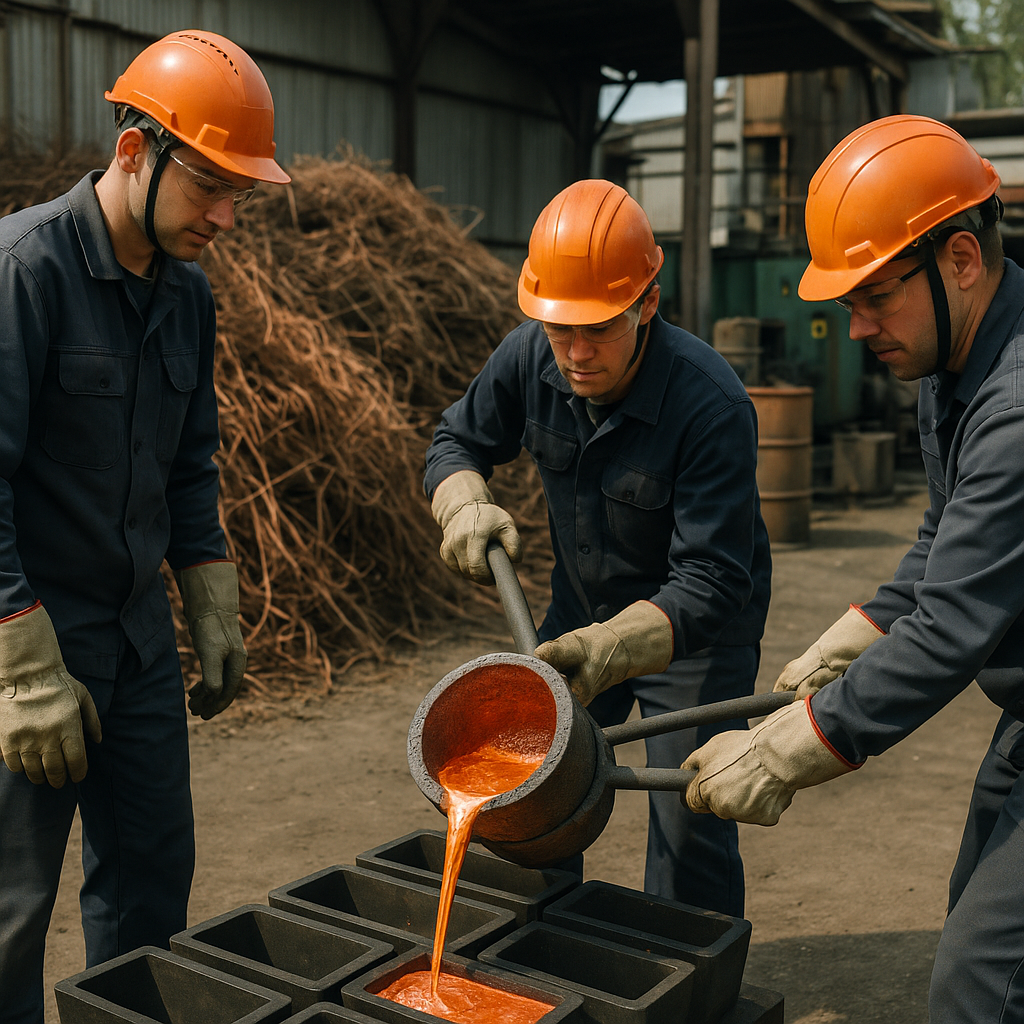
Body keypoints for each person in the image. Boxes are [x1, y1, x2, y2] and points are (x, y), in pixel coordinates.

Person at [682, 114, 1024, 1023]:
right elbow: (944, 537)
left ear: (960, 259)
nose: (858, 327)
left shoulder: (1018, 404)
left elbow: (953, 628)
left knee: (978, 990)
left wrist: (788, 750)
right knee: (976, 926)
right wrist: (853, 639)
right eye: (847, 305)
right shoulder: (952, 367)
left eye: (875, 296)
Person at [0, 30, 290, 1023]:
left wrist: (208, 588)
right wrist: (23, 665)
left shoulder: (187, 295)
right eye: (209, 185)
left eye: (239, 194)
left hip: (133, 638)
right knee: (10, 908)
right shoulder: (22, 270)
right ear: (135, 151)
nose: (225, 214)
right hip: (28, 637)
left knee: (151, 879)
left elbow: (187, 458)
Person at [424, 179, 771, 918]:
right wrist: (462, 500)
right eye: (559, 329)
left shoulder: (711, 404)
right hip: (578, 615)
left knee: (691, 814)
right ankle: (546, 958)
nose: (575, 354)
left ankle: (685, 980)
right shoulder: (530, 355)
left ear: (647, 304)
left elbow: (712, 580)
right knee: (532, 797)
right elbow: (457, 439)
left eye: (599, 329)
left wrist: (615, 645)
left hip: (695, 640)